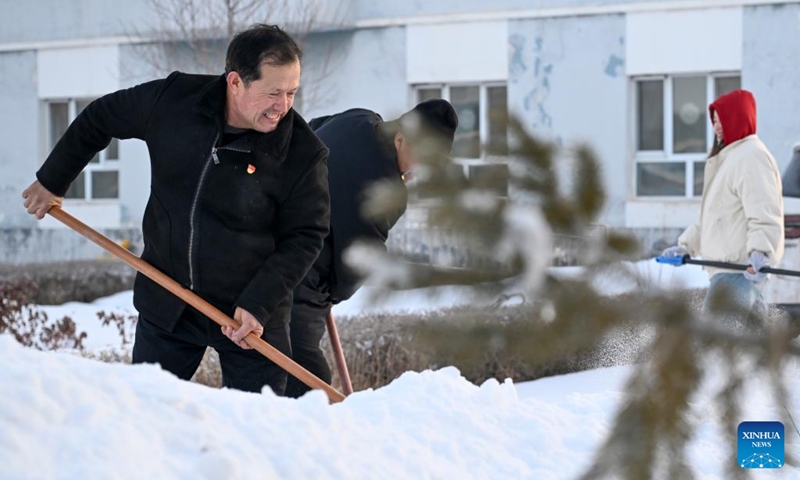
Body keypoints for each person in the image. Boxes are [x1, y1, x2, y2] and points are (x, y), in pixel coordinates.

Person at [21, 24, 330, 395]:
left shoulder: (302, 153)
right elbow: (100, 117)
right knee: (146, 418)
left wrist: (258, 304)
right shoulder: (175, 101)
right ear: (235, 82)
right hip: (168, 299)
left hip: (247, 319)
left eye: (292, 92)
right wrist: (53, 180)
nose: (283, 106)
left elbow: (306, 236)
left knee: (255, 434)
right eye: (273, 93)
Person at [284, 100, 458, 398]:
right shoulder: (388, 191)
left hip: (272, 234)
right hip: (304, 275)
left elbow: (312, 129)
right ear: (401, 138)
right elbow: (361, 260)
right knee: (312, 383)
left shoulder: (357, 117)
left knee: (275, 364)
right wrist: (332, 296)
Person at [662, 89, 784, 330]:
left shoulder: (751, 156)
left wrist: (761, 251)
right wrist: (684, 246)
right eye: (714, 121)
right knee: (748, 354)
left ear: (738, 117)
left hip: (737, 273)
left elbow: (764, 210)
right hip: (730, 274)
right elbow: (713, 218)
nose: (717, 128)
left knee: (717, 351)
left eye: (721, 120)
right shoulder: (731, 159)